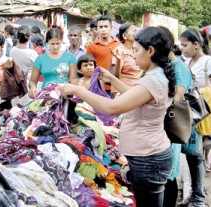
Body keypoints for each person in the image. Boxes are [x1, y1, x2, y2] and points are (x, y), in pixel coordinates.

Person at [60, 26, 176, 207]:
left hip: (149, 157)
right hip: (148, 154)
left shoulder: (154, 79)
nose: (134, 55)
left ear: (151, 51)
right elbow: (135, 96)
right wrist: (112, 79)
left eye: (136, 51)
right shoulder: (155, 75)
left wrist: (78, 90)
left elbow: (112, 107)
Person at [180, 28, 211, 206]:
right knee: (192, 155)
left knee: (195, 155)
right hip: (190, 113)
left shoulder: (209, 62)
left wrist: (197, 93)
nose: (183, 49)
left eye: (185, 45)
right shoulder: (187, 61)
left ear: (196, 45)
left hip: (200, 114)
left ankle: (198, 198)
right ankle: (196, 192)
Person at [158, 26, 192, 207]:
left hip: (171, 128)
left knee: (168, 176)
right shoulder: (165, 66)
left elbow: (175, 100)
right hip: (162, 129)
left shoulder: (179, 68)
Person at [28, 28, 78, 99]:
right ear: (47, 43)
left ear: (62, 42)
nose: (55, 47)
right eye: (52, 44)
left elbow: (73, 80)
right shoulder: (40, 59)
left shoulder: (70, 57)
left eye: (58, 43)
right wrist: (33, 87)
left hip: (65, 96)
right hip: (46, 96)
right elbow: (32, 80)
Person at [87, 15, 120, 93]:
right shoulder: (91, 47)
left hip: (115, 86)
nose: (103, 29)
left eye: (106, 26)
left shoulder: (118, 44)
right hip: (98, 86)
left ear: (111, 28)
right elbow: (89, 67)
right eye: (101, 27)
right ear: (97, 29)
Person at [9, 26, 38, 106]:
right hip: (28, 85)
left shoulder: (12, 50)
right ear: (29, 37)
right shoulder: (32, 53)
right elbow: (38, 69)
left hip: (14, 84)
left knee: (15, 111)